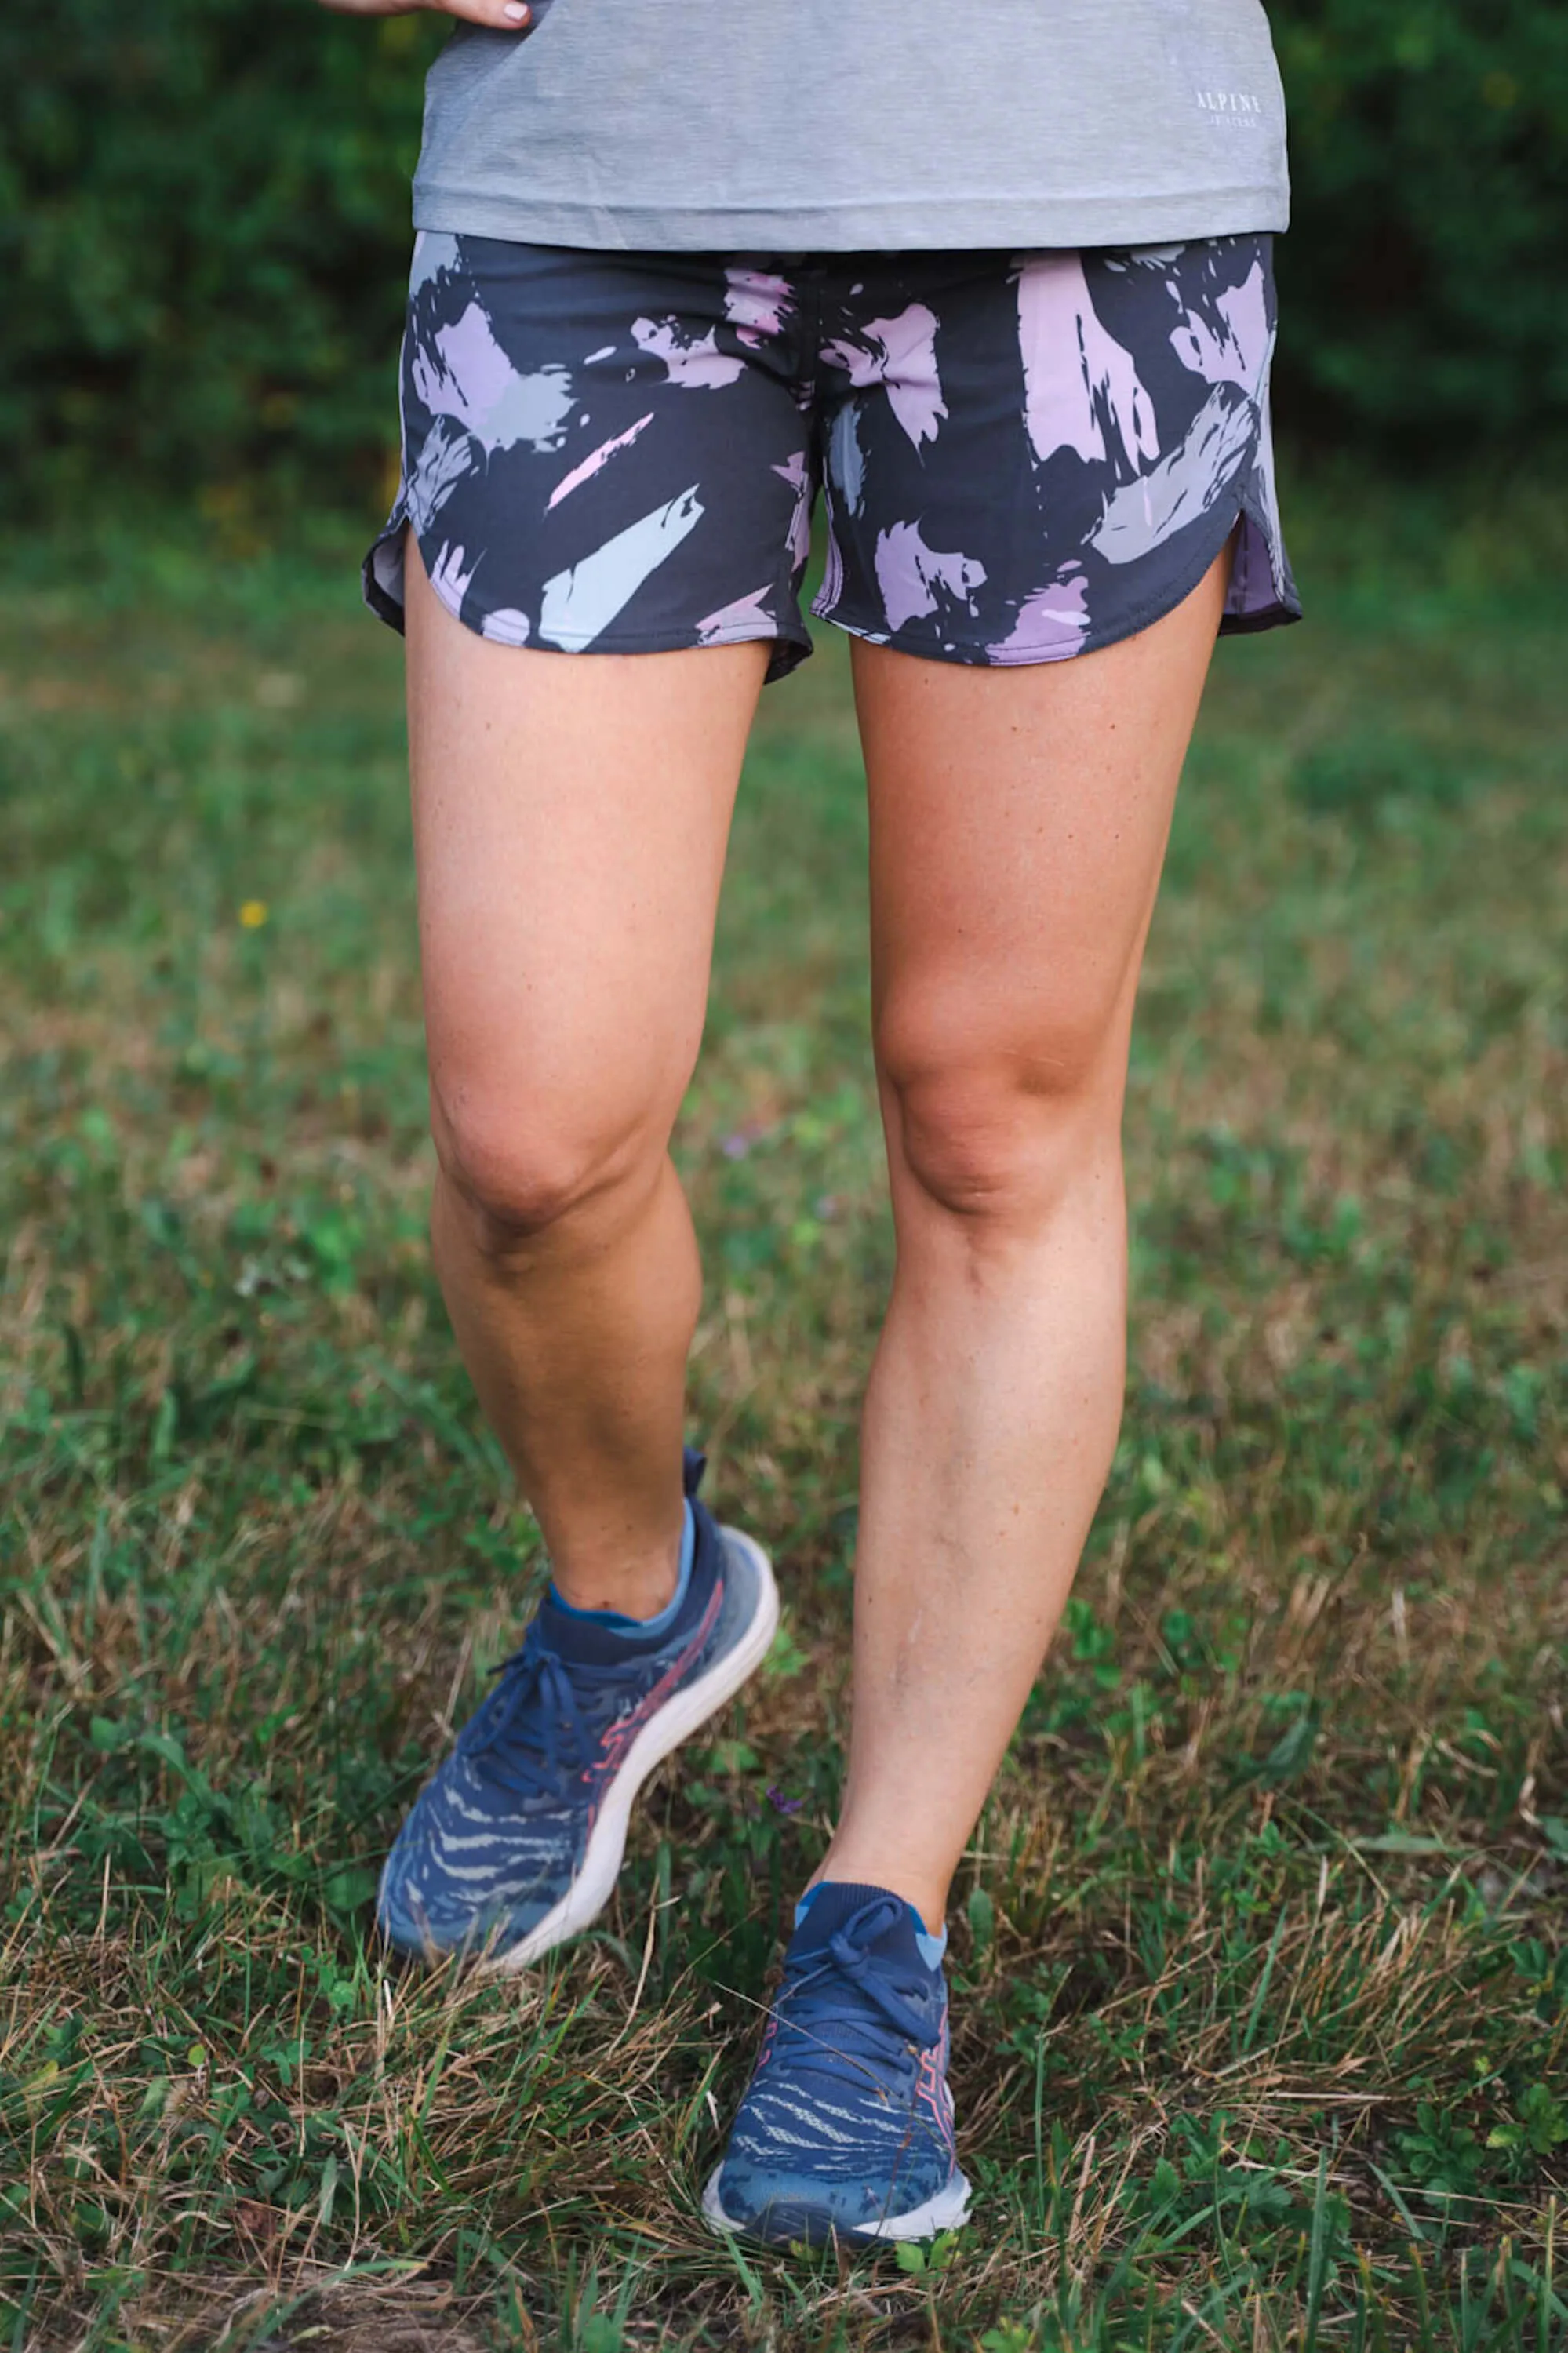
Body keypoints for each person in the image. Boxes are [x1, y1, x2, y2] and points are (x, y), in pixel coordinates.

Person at [318, 0, 1300, 2246]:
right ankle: (623, 1602)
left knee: (990, 1116)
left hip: (1081, 189)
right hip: (594, 194)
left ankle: (880, 1918)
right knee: (528, 1129)